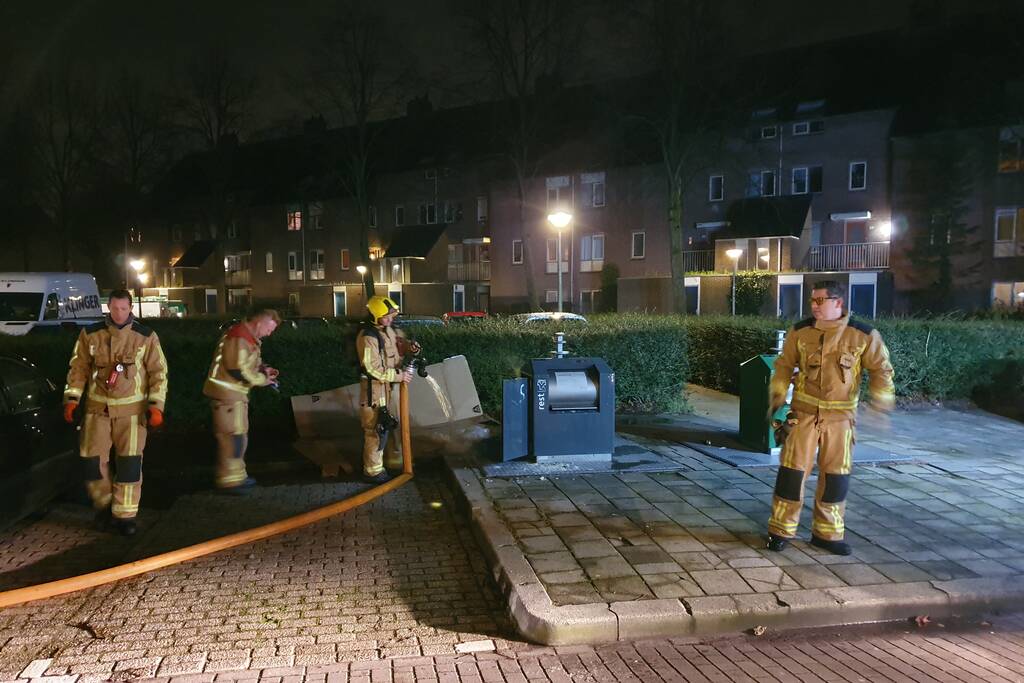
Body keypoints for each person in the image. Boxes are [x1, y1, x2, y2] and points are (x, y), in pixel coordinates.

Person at [766, 280, 895, 555]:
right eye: (812, 300)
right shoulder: (800, 332)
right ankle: (780, 531)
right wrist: (777, 400)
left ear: (838, 302)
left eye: (819, 301)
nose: (813, 306)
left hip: (840, 421)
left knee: (836, 479)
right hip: (803, 416)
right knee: (791, 475)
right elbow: (783, 366)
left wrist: (880, 405)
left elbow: (882, 370)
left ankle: (827, 534)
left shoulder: (863, 335)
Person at [63, 289, 168, 536]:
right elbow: (77, 368)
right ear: (108, 307)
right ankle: (104, 506)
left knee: (130, 465)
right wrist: (71, 399)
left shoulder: (145, 336)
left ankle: (124, 517)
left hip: (133, 414)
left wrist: (156, 407)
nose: (119, 313)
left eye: (124, 308)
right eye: (115, 308)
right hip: (96, 411)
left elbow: (158, 373)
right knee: (91, 463)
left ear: (130, 308)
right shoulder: (90, 334)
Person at [203, 309, 281, 493]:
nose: (269, 334)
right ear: (260, 323)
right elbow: (238, 370)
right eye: (269, 329)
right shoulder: (240, 337)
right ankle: (230, 481)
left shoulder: (244, 336)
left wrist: (263, 369)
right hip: (228, 397)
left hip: (231, 397)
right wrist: (263, 380)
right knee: (233, 439)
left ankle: (236, 477)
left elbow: (244, 363)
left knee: (236, 438)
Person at [357, 296, 417, 483]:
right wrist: (400, 376)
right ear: (375, 316)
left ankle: (388, 464)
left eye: (392, 315)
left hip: (387, 389)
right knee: (376, 430)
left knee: (388, 427)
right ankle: (373, 472)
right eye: (387, 316)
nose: (391, 319)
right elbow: (372, 368)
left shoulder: (388, 330)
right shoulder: (368, 337)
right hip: (373, 392)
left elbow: (397, 347)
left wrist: (410, 348)